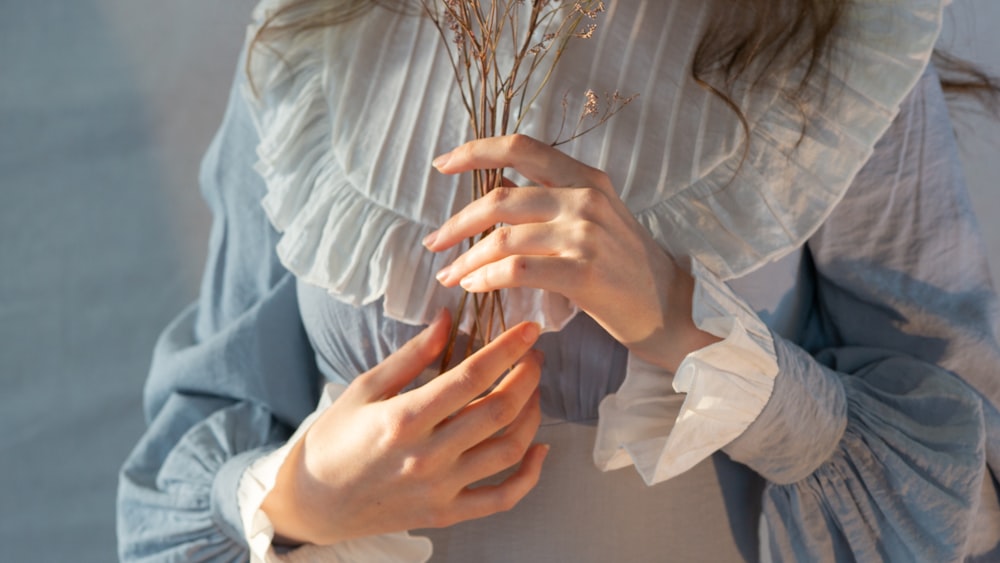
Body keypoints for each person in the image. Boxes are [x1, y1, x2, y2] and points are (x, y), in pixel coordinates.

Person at [118, 0, 1000, 560]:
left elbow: (957, 478)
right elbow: (199, 427)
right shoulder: (318, 25)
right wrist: (296, 498)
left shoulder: (840, 35)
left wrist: (687, 330)